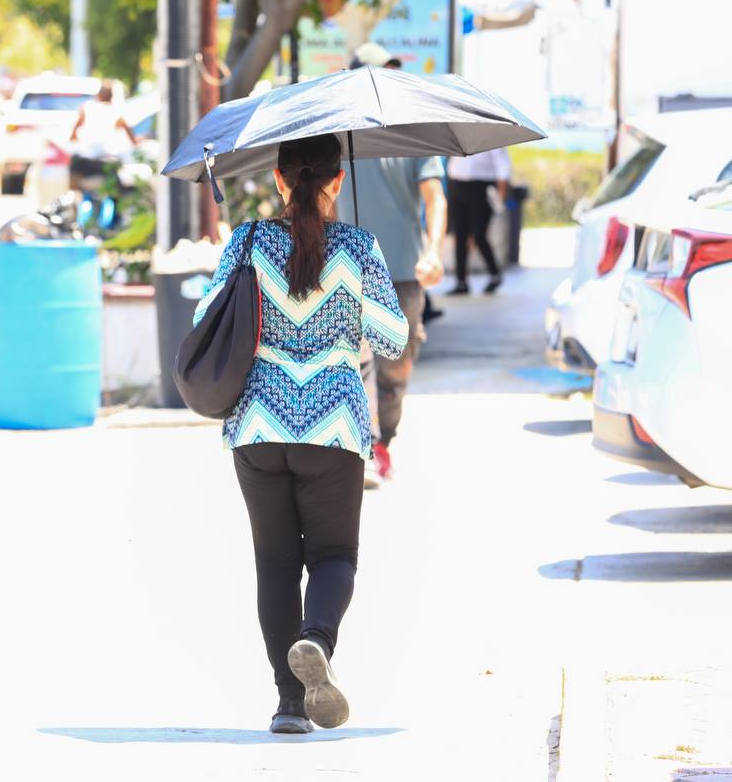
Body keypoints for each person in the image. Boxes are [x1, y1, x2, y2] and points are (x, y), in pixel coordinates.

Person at [196, 133, 408, 734]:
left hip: (258, 422)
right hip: (333, 425)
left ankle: (289, 704)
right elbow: (392, 339)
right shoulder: (358, 247)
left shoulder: (247, 241)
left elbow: (201, 320)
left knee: (275, 564)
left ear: (280, 181)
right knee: (335, 555)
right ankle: (315, 640)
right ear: (337, 182)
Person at [340, 43, 448, 487]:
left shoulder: (413, 133)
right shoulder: (336, 135)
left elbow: (434, 197)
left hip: (403, 270)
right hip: (347, 268)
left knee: (395, 365)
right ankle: (366, 445)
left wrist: (434, 251)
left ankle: (386, 438)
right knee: (357, 359)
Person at [447, 148, 511, 294]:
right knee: (460, 235)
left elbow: (503, 165)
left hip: (482, 187)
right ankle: (461, 281)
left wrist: (501, 194)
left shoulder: (490, 135)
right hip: (458, 184)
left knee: (479, 234)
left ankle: (495, 274)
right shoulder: (458, 131)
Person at [67, 79, 136, 187]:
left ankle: (75, 196)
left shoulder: (87, 107)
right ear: (112, 96)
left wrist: (74, 139)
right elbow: (130, 136)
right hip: (109, 160)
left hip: (87, 160)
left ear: (98, 95)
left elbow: (74, 132)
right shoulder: (117, 111)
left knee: (73, 171)